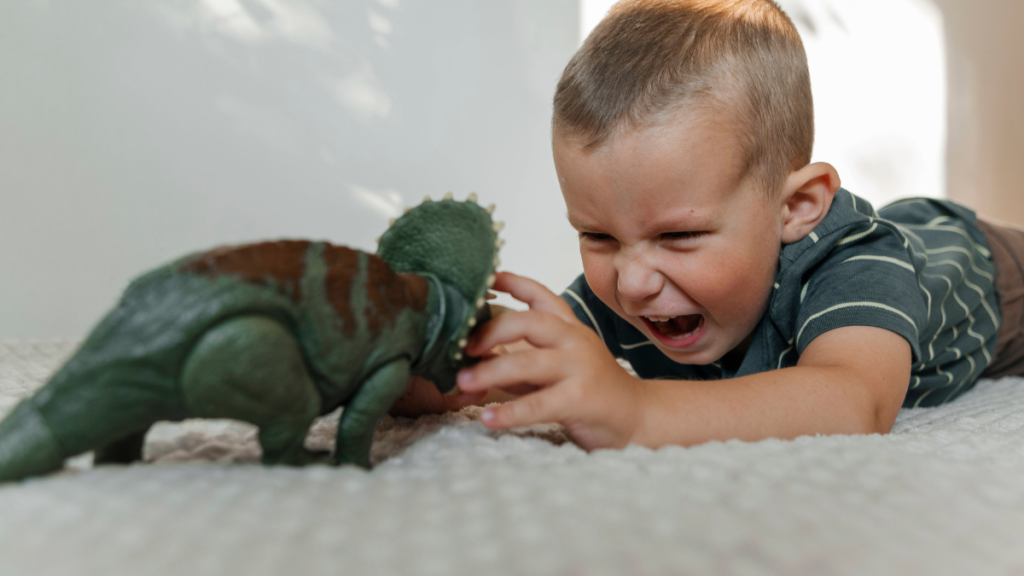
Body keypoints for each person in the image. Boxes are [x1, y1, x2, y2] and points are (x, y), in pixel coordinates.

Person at [389, 0, 1024, 451]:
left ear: (796, 209)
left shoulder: (854, 261)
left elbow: (855, 401)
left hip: (990, 268)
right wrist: (413, 371)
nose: (633, 282)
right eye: (598, 235)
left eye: (679, 236)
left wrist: (637, 410)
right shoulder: (629, 286)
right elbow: (520, 359)